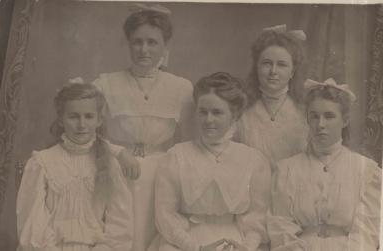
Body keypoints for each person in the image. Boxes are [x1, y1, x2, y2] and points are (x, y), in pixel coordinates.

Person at [92, 4, 194, 251]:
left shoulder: (181, 88)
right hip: (117, 171)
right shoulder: (105, 84)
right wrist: (118, 152)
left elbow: (188, 142)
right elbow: (89, 135)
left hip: (162, 175)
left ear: (164, 46)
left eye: (152, 42)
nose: (144, 49)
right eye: (137, 42)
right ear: (128, 44)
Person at [151, 72, 271, 251]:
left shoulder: (253, 161)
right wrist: (195, 247)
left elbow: (256, 218)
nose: (209, 120)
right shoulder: (177, 156)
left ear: (234, 115)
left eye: (217, 112)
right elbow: (165, 214)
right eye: (203, 112)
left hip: (234, 242)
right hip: (185, 242)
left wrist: (247, 247)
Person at [16, 83, 133, 250]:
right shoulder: (42, 163)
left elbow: (120, 225)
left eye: (89, 116)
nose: (81, 124)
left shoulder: (109, 164)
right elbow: (32, 224)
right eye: (73, 116)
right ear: (61, 120)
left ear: (99, 120)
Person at [268, 78, 381, 251]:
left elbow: (367, 234)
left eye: (329, 116)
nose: (320, 124)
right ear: (307, 119)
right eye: (314, 116)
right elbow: (281, 227)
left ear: (344, 121)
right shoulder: (287, 170)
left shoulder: (366, 171)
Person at [236, 24, 308, 165]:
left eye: (281, 65)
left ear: (292, 71)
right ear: (256, 67)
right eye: (267, 63)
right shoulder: (242, 111)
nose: (273, 71)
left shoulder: (304, 111)